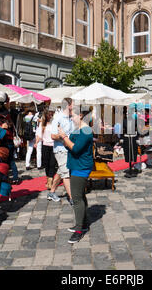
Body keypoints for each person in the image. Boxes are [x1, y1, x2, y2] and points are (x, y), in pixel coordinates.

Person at [58, 109, 94, 244]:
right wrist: (63, 138)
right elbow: (70, 146)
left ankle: (79, 230)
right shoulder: (78, 129)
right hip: (75, 165)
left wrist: (65, 138)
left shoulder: (86, 131)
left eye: (72, 116)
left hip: (81, 167)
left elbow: (76, 148)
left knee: (76, 198)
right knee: (81, 196)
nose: (71, 118)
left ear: (80, 115)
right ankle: (82, 224)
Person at [50, 98, 74, 204]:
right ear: (68, 105)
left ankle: (52, 192)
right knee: (66, 174)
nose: (75, 106)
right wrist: (63, 137)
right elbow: (53, 136)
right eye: (73, 104)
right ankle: (72, 198)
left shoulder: (71, 118)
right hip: (60, 150)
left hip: (69, 148)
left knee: (61, 171)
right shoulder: (58, 118)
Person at [35, 108, 57, 190]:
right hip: (45, 146)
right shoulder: (42, 124)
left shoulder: (55, 123)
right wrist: (36, 143)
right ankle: (48, 179)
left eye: (52, 114)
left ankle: (50, 181)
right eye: (49, 114)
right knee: (46, 164)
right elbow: (39, 135)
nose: (50, 116)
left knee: (52, 164)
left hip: (54, 145)